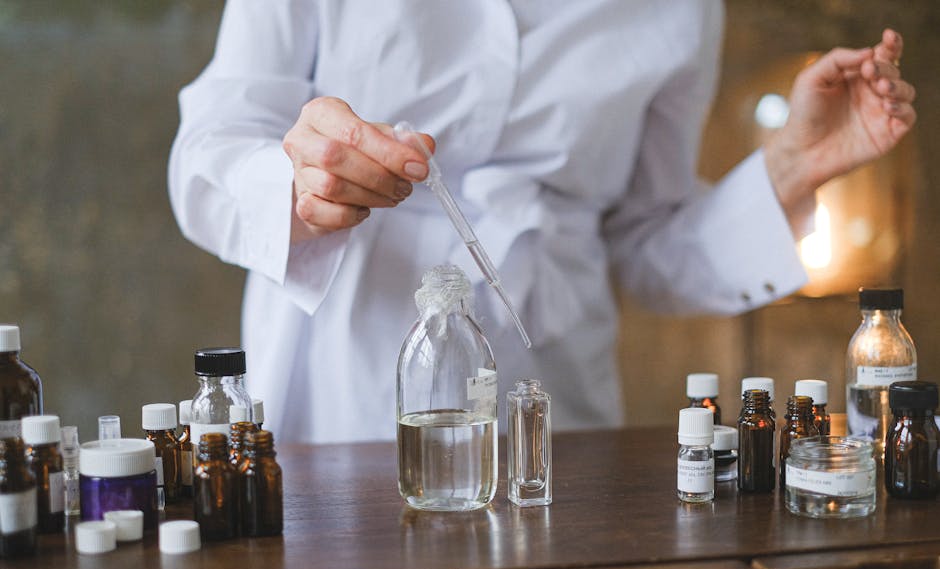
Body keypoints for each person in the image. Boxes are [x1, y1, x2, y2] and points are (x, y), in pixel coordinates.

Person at [169, 2, 915, 443]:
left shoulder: (681, 11)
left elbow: (642, 242)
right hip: (341, 380)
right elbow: (206, 153)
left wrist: (789, 170)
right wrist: (299, 185)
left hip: (552, 397)